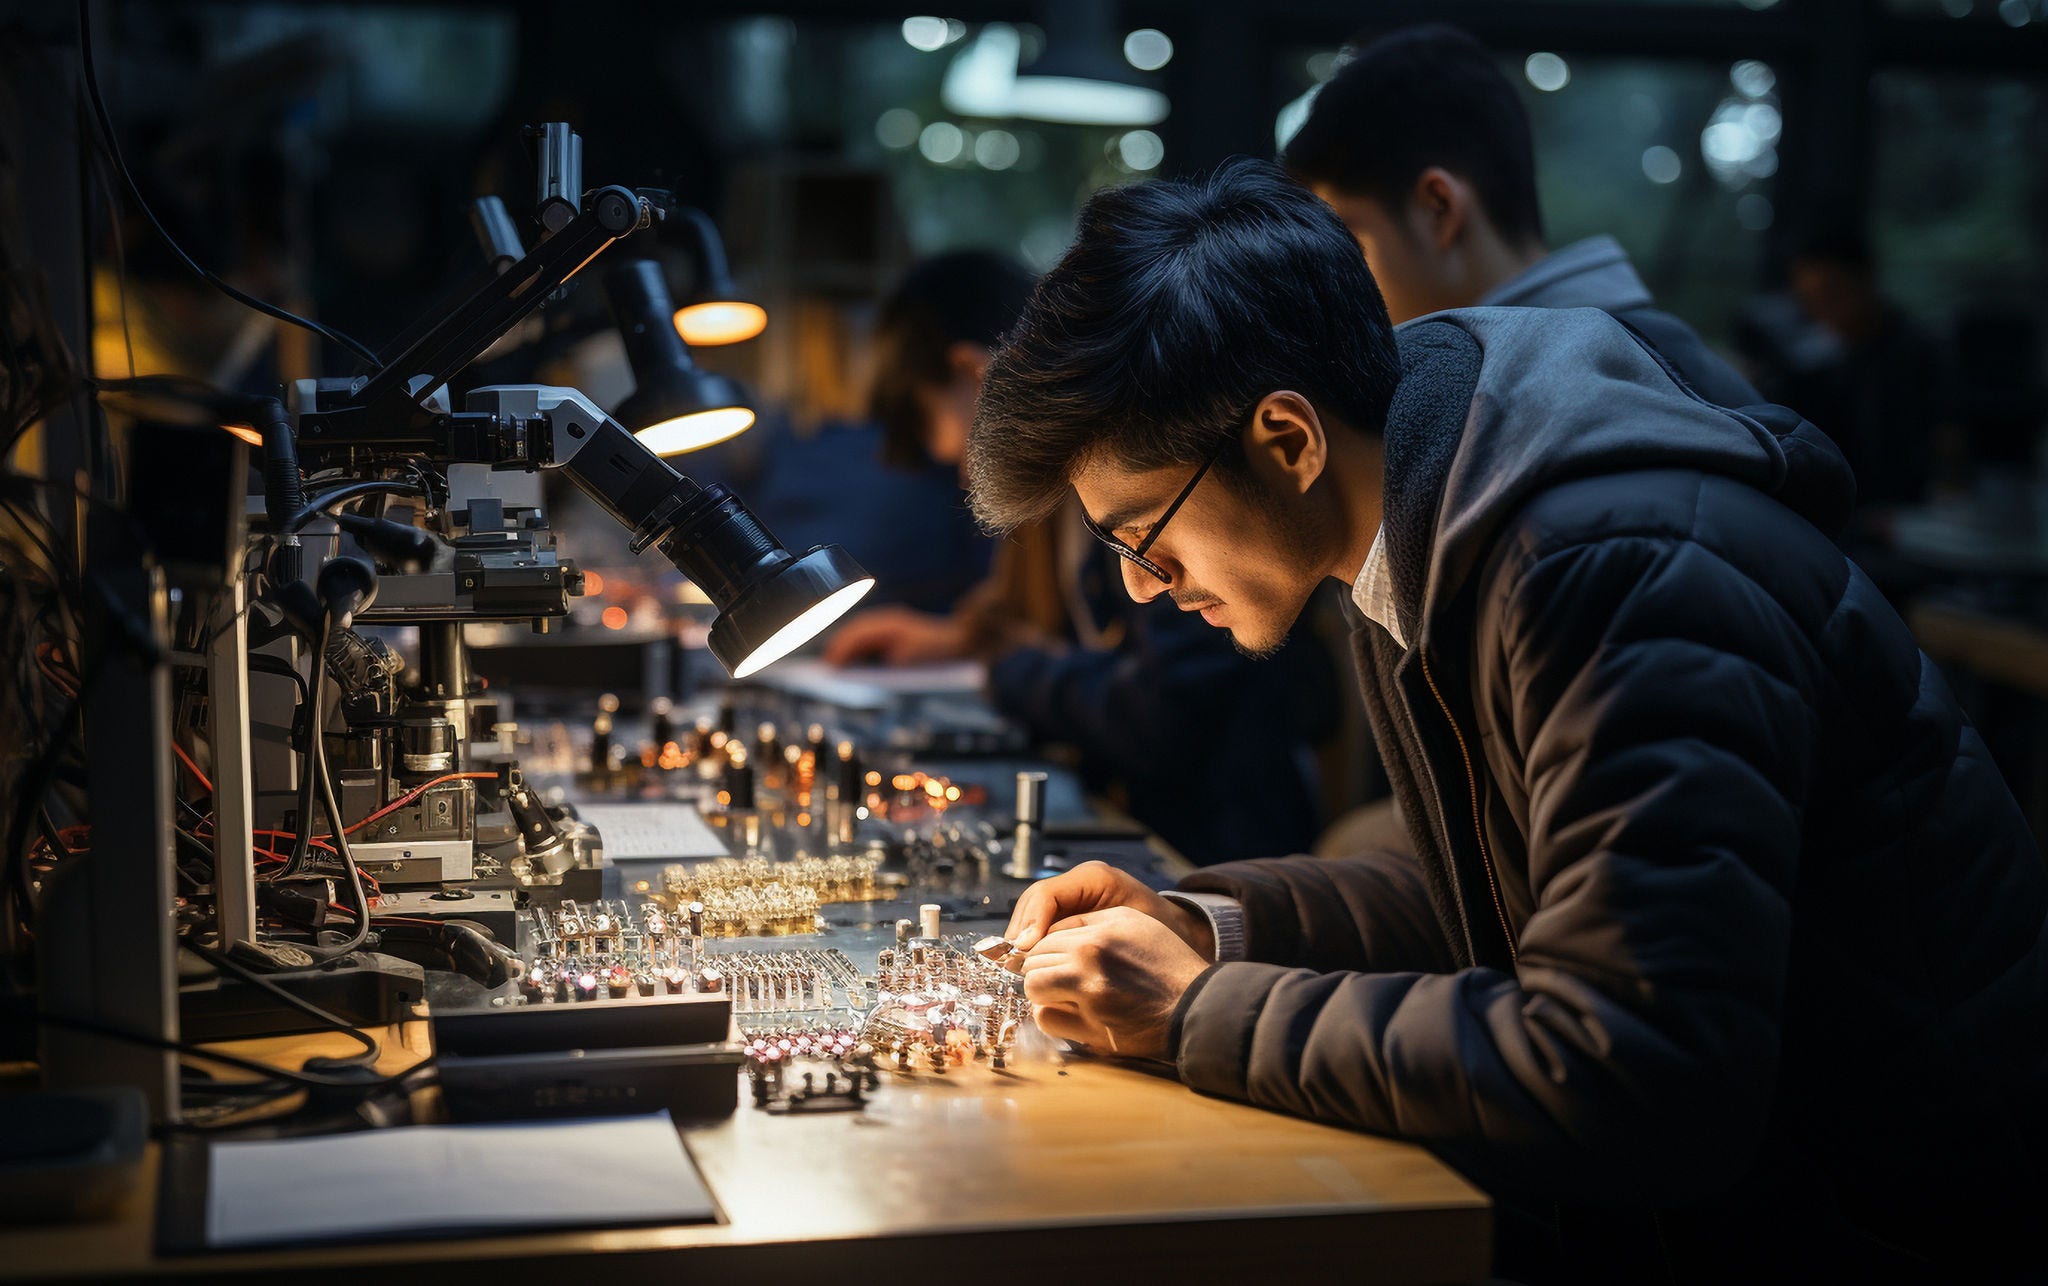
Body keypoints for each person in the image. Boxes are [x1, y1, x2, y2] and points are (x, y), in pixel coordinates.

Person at [967, 161, 2046, 1281]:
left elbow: (1636, 1066)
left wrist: (1198, 1008)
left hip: (1880, 1224)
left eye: (1145, 533)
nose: (1143, 587)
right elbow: (1507, 889)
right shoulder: (1434, 524)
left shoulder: (1614, 573)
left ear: (1286, 440)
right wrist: (1209, 929)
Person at [826, 252, 1334, 864]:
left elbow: (1158, 715)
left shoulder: (1147, 492)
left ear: (974, 373)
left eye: (937, 431)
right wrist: (957, 641)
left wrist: (1002, 665)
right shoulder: (1068, 520)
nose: (956, 467)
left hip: (1222, 852)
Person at [1283, 23, 1760, 409]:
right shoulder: (1649, 360)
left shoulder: (1550, 403)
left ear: (1438, 208)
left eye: (1350, 246)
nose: (1336, 285)